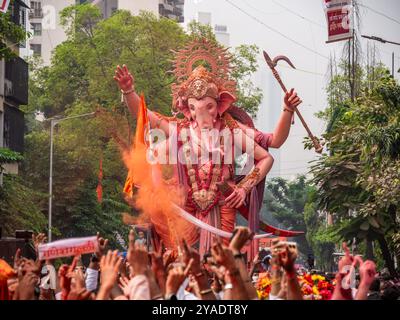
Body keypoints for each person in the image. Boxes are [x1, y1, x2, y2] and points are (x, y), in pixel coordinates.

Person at [114, 39, 303, 258]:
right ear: (187, 108)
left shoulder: (231, 130)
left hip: (223, 205)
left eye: (209, 106)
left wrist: (244, 188)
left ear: (220, 104)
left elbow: (272, 147)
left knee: (220, 262)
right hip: (186, 206)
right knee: (182, 260)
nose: (201, 114)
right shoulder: (180, 130)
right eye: (194, 107)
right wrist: (129, 92)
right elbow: (146, 117)